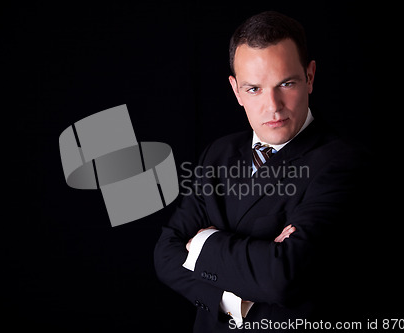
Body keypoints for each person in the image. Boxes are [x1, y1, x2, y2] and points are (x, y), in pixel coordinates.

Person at [154, 11, 363, 332]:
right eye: (254, 89)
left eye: (286, 83)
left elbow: (282, 276)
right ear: (236, 90)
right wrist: (236, 301)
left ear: (309, 76)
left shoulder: (342, 162)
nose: (273, 106)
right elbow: (165, 256)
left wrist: (201, 242)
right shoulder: (219, 153)